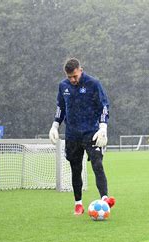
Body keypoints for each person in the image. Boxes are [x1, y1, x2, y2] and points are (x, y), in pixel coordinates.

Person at [49, 58, 115, 215]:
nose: (72, 80)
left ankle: (105, 198)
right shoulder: (63, 86)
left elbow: (104, 106)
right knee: (75, 168)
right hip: (72, 134)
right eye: (69, 77)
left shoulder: (93, 83)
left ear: (81, 70)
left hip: (92, 133)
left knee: (97, 164)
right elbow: (60, 107)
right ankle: (78, 203)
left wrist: (103, 127)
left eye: (75, 76)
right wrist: (55, 125)